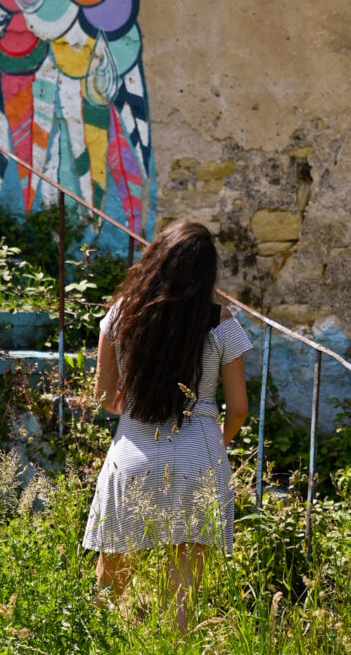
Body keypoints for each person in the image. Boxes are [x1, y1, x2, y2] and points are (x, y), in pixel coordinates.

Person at [82, 219, 251, 630]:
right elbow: (240, 408)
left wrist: (142, 405)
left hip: (133, 457)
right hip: (200, 458)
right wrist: (216, 441)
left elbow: (105, 398)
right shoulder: (223, 322)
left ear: (156, 259)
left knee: (111, 582)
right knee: (183, 590)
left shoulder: (122, 315)